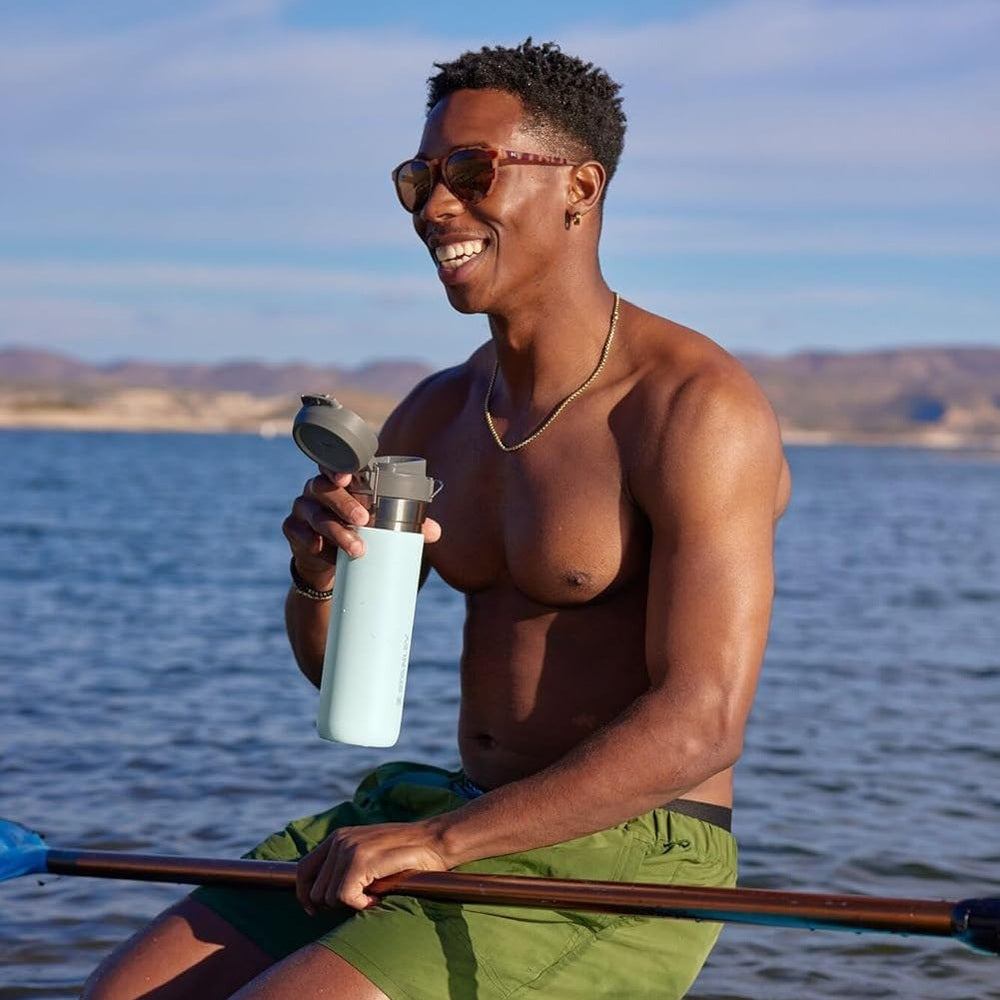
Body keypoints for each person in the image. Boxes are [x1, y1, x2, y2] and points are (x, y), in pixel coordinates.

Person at [84, 39, 790, 1000]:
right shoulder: (436, 414)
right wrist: (315, 574)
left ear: (580, 187)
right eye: (419, 177)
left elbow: (704, 723)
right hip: (451, 809)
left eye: (470, 171)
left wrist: (443, 843)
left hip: (629, 855)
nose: (434, 206)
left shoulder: (692, 408)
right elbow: (342, 678)